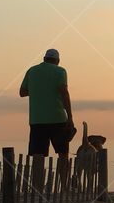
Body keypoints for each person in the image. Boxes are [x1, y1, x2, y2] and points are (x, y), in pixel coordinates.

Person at [19, 48, 74, 190]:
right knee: (63, 154)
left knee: (38, 155)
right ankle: (64, 186)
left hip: (37, 120)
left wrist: (38, 89)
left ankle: (37, 187)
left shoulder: (32, 71)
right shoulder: (60, 71)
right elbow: (64, 92)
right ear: (58, 61)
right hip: (58, 119)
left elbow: (22, 92)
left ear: (44, 59)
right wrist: (70, 117)